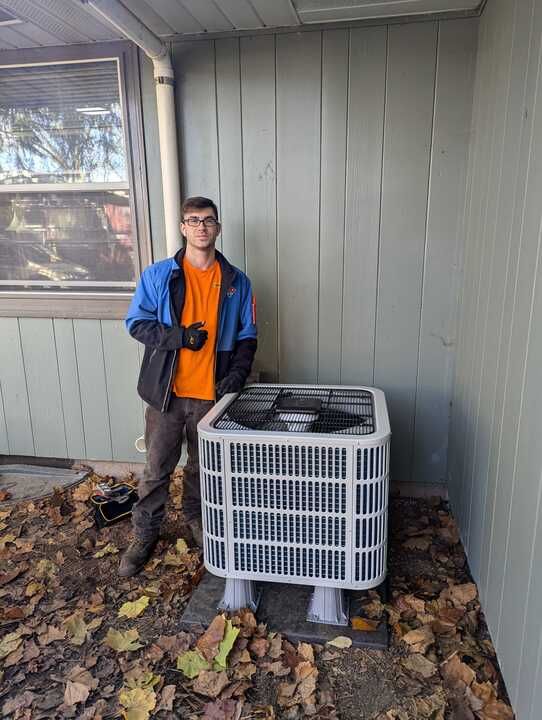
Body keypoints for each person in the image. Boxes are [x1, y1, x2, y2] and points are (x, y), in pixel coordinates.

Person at [119, 196, 257, 577]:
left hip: (210, 396)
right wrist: (179, 337)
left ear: (217, 227)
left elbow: (248, 336)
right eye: (193, 221)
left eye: (208, 221)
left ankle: (197, 521)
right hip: (167, 394)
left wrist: (238, 374)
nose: (201, 227)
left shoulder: (236, 282)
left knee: (202, 468)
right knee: (156, 469)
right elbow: (136, 323)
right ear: (183, 228)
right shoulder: (159, 276)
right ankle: (144, 534)